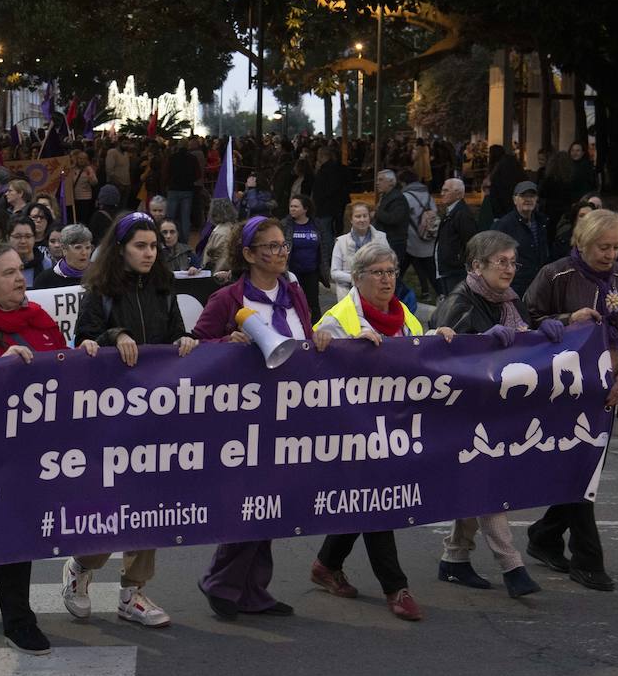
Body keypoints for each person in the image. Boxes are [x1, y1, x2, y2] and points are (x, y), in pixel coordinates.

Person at [0, 243, 88, 655]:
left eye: (20, 269)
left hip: (42, 448)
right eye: (7, 273)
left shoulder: (39, 320)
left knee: (27, 530)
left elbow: (64, 368)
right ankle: (19, 622)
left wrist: (86, 354)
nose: (19, 278)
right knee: (15, 531)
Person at [193, 216, 332, 618]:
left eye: (282, 245)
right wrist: (227, 342)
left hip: (290, 415)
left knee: (275, 503)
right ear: (248, 254)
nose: (279, 252)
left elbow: (303, 337)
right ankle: (222, 580)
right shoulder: (227, 299)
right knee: (251, 503)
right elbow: (197, 348)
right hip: (244, 421)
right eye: (269, 247)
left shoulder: (294, 291)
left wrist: (318, 337)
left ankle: (252, 588)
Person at [64, 213, 198, 627]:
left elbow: (176, 331)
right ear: (121, 248)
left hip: (155, 415)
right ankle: (81, 568)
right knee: (113, 505)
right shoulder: (100, 289)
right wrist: (115, 335)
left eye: (154, 246)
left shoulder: (163, 286)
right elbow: (85, 336)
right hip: (112, 417)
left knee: (150, 505)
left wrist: (185, 339)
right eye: (140, 245)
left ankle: (133, 592)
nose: (148, 253)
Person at [524, 208, 618, 592]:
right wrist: (567, 319)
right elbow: (528, 321)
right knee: (581, 469)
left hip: (610, 391)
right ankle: (588, 560)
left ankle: (545, 536)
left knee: (584, 469)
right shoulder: (555, 274)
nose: (610, 254)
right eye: (603, 246)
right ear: (582, 242)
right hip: (564, 391)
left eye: (616, 247)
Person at [431, 231, 565, 598]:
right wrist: (477, 342)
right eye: (501, 262)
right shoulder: (460, 302)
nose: (509, 269)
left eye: (512, 262)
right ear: (477, 265)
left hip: (496, 413)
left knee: (476, 487)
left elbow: (521, 344)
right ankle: (512, 566)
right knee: (487, 485)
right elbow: (437, 359)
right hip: (462, 417)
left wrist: (543, 334)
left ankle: (455, 559)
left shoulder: (509, 302)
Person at [308, 243, 433, 620]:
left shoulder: (406, 317)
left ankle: (326, 564)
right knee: (377, 501)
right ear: (358, 279)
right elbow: (312, 370)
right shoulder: (336, 319)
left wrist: (441, 339)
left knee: (365, 501)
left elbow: (422, 359)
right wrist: (347, 349)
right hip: (351, 429)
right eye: (377, 272)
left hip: (394, 427)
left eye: (391, 271)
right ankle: (396, 587)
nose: (386, 279)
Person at [493, 181, 551, 297]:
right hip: (515, 287)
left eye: (532, 196)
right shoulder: (504, 225)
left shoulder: (543, 222)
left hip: (540, 284)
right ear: (515, 199)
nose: (528, 199)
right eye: (523, 195)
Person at [330, 202, 388, 295]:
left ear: (369, 217)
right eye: (358, 216)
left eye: (365, 216)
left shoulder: (381, 238)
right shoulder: (341, 242)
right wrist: (355, 278)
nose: (362, 219)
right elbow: (334, 272)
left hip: (376, 291)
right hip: (348, 293)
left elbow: (388, 265)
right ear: (351, 219)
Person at [283, 194, 326, 318]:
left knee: (313, 303)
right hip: (292, 272)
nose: (292, 209)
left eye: (296, 206)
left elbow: (323, 246)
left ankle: (315, 328)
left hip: (312, 271)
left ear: (305, 209)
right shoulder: (286, 224)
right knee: (293, 301)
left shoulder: (316, 224)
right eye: (291, 206)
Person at [434, 177, 477, 296]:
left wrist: (459, 260)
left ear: (458, 194)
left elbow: (471, 242)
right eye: (442, 190)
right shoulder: (451, 211)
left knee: (455, 304)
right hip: (448, 268)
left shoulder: (462, 214)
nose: (442, 194)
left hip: (455, 271)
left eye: (446, 190)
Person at [399, 171, 436, 298]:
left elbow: (401, 217)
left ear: (403, 182)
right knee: (428, 267)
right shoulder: (428, 195)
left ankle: (394, 292)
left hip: (412, 238)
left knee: (402, 267)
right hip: (427, 236)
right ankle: (436, 293)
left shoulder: (405, 196)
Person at [34, 223, 93, 288]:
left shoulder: (101, 275)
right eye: (78, 247)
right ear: (64, 249)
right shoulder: (44, 280)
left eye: (87, 247)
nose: (84, 252)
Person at [164, 143, 201, 236]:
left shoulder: (172, 158)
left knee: (170, 217)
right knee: (185, 218)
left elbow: (165, 173)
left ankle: (168, 238)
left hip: (173, 189)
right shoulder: (193, 158)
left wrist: (168, 183)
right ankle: (185, 241)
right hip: (188, 189)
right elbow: (198, 174)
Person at [7, 216, 52, 285]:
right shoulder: (2, 265)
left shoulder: (46, 264)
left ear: (34, 238)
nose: (23, 241)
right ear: (8, 238)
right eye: (17, 237)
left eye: (28, 236)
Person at [202, 198, 240, 274]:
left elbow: (223, 258)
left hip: (219, 274)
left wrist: (214, 275)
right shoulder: (233, 227)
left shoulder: (221, 233)